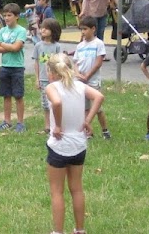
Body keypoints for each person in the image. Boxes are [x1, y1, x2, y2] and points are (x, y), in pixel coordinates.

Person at [43, 52, 103, 234]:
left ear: (51, 72)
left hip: (59, 146)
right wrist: (88, 120)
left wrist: (58, 125)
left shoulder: (52, 87)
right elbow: (99, 97)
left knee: (57, 192)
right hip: (79, 144)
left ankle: (58, 231)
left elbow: (57, 102)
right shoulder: (79, 86)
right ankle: (80, 229)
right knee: (77, 189)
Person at [73, 16, 111, 139]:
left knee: (98, 109)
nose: (83, 32)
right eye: (81, 29)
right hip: (81, 81)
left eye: (85, 29)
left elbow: (99, 62)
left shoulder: (98, 44)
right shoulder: (80, 46)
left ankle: (105, 130)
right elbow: (75, 62)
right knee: (84, 108)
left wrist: (88, 75)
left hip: (93, 81)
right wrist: (77, 73)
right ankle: (87, 132)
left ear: (93, 29)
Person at [0, 2, 28, 132]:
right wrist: (9, 46)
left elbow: (16, 47)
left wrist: (2, 44)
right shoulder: (2, 30)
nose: (7, 18)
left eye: (10, 15)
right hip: (5, 66)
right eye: (5, 15)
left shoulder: (21, 31)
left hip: (17, 67)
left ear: (17, 16)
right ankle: (7, 121)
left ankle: (20, 122)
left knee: (18, 95)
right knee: (6, 95)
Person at [34, 19, 63, 134]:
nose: (43, 30)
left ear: (53, 31)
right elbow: (36, 62)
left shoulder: (57, 46)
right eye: (42, 28)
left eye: (46, 28)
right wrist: (37, 79)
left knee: (55, 102)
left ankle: (56, 124)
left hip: (55, 80)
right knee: (45, 104)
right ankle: (47, 126)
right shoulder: (38, 46)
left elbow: (60, 63)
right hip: (43, 79)